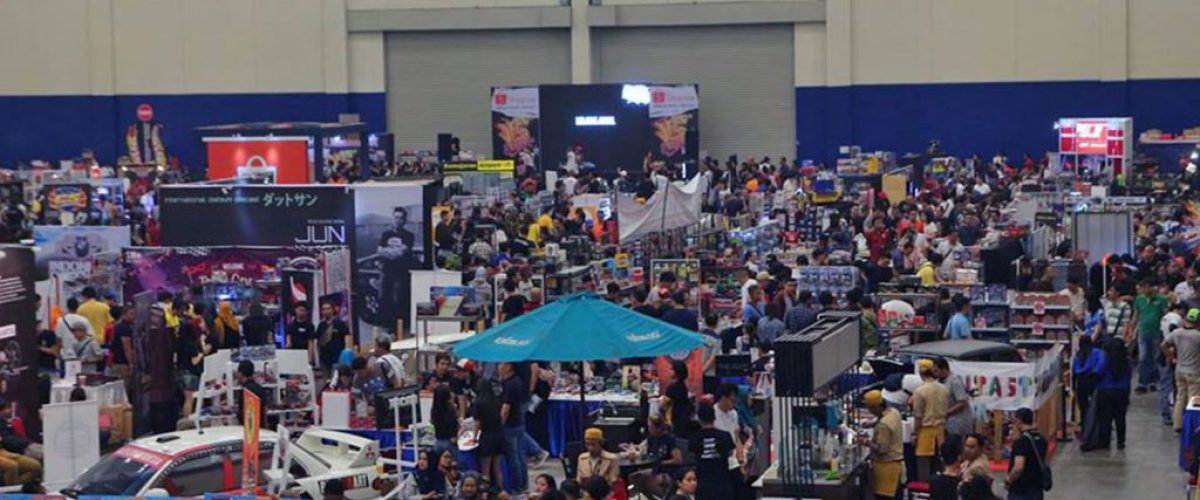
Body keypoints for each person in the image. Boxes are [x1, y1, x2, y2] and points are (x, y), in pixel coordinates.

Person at [1085, 339, 1130, 450]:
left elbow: (1097, 372)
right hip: (1122, 391)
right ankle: (1121, 442)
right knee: (1120, 418)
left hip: (1105, 391)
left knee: (1105, 418)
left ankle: (1105, 442)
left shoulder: (1105, 360)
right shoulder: (1126, 362)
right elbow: (1128, 378)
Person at [379, 206, 418, 332]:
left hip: (401, 273)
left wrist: (388, 252)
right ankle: (387, 325)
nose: (398, 220)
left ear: (405, 220)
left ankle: (397, 328)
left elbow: (401, 252)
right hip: (386, 272)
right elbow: (379, 251)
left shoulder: (409, 236)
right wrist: (393, 252)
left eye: (401, 218)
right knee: (385, 298)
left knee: (398, 300)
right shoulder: (385, 234)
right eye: (396, 217)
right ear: (392, 218)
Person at [689, 403, 736, 500]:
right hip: (723, 481)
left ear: (699, 419)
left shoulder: (694, 437)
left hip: (703, 483)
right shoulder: (725, 435)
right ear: (714, 417)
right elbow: (731, 453)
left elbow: (692, 455)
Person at [861, 390, 903, 500]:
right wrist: (873, 424)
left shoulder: (883, 425)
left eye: (869, 409)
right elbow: (883, 420)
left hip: (886, 469)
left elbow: (881, 449)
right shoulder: (894, 412)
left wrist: (865, 442)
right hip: (898, 466)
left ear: (875, 408)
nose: (869, 411)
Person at [1163, 308, 1200, 431]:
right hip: (1194, 372)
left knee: (1180, 398)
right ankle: (1191, 426)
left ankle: (1177, 424)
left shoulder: (1177, 333)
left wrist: (1171, 357)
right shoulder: (1197, 336)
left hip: (1179, 370)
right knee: (1192, 400)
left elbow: (1163, 345)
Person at [912, 358, 949, 481]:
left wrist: (914, 433)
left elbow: (918, 416)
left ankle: (925, 489)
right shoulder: (944, 389)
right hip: (941, 431)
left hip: (925, 432)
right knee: (940, 464)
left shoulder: (920, 391)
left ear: (921, 373)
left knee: (924, 466)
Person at [1130, 280, 1168, 392]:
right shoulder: (1139, 299)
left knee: (1155, 356)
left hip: (1156, 331)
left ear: (1151, 287)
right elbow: (1136, 315)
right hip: (1143, 331)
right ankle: (1143, 382)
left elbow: (1165, 314)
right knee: (1143, 357)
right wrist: (1132, 329)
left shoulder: (1161, 299)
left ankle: (1153, 381)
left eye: (1145, 287)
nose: (1143, 290)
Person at [1005, 408, 1050, 500]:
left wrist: (1008, 480)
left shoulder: (1021, 442)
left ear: (1018, 422)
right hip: (1037, 489)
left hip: (1021, 491)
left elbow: (1018, 468)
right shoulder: (1041, 439)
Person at [498, 362, 529, 494]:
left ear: (509, 366)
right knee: (520, 454)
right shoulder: (517, 381)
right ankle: (523, 484)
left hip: (510, 425)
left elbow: (506, 408)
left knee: (513, 457)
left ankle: (517, 486)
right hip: (519, 422)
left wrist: (500, 425)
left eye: (501, 364)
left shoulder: (510, 384)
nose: (499, 367)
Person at [470, 379, 505, 493]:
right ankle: (501, 491)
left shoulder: (479, 403)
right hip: (498, 435)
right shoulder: (497, 401)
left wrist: (474, 438)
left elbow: (477, 423)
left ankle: (485, 494)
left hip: (486, 436)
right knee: (497, 469)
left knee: (485, 470)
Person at [932, 357, 973, 445]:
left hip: (958, 422)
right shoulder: (940, 381)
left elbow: (962, 402)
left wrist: (946, 413)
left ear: (944, 369)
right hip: (946, 423)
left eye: (936, 371)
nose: (935, 374)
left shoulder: (954, 380)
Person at [176, 319, 206, 417]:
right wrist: (201, 355)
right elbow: (194, 361)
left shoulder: (179, 343)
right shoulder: (192, 345)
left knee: (186, 399)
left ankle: (186, 419)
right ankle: (188, 420)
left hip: (180, 371)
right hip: (190, 373)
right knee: (190, 399)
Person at [1072, 335, 1103, 427]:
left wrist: (1073, 385)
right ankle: (1094, 424)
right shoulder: (1097, 352)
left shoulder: (1078, 355)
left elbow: (1074, 371)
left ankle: (1084, 424)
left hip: (1080, 382)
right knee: (1094, 406)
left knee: (1083, 407)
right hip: (1093, 381)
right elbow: (1101, 365)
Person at [317, 302, 352, 375]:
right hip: (324, 359)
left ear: (333, 310)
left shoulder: (340, 324)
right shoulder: (321, 325)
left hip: (338, 358)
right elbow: (318, 342)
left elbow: (347, 338)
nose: (325, 311)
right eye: (323, 309)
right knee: (326, 380)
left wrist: (346, 353)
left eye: (328, 309)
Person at [663, 360, 694, 435]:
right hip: (683, 418)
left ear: (677, 371)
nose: (669, 371)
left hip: (675, 419)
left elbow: (664, 404)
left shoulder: (672, 388)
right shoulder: (683, 386)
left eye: (671, 369)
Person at [235, 360, 268, 426]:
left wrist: (236, 412)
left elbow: (243, 414)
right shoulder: (260, 388)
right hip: (260, 427)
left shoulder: (245, 391)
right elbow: (264, 410)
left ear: (240, 373)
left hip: (249, 428)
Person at [432, 384, 460, 458]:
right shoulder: (450, 411)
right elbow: (454, 437)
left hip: (438, 442)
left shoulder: (435, 411)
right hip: (449, 444)